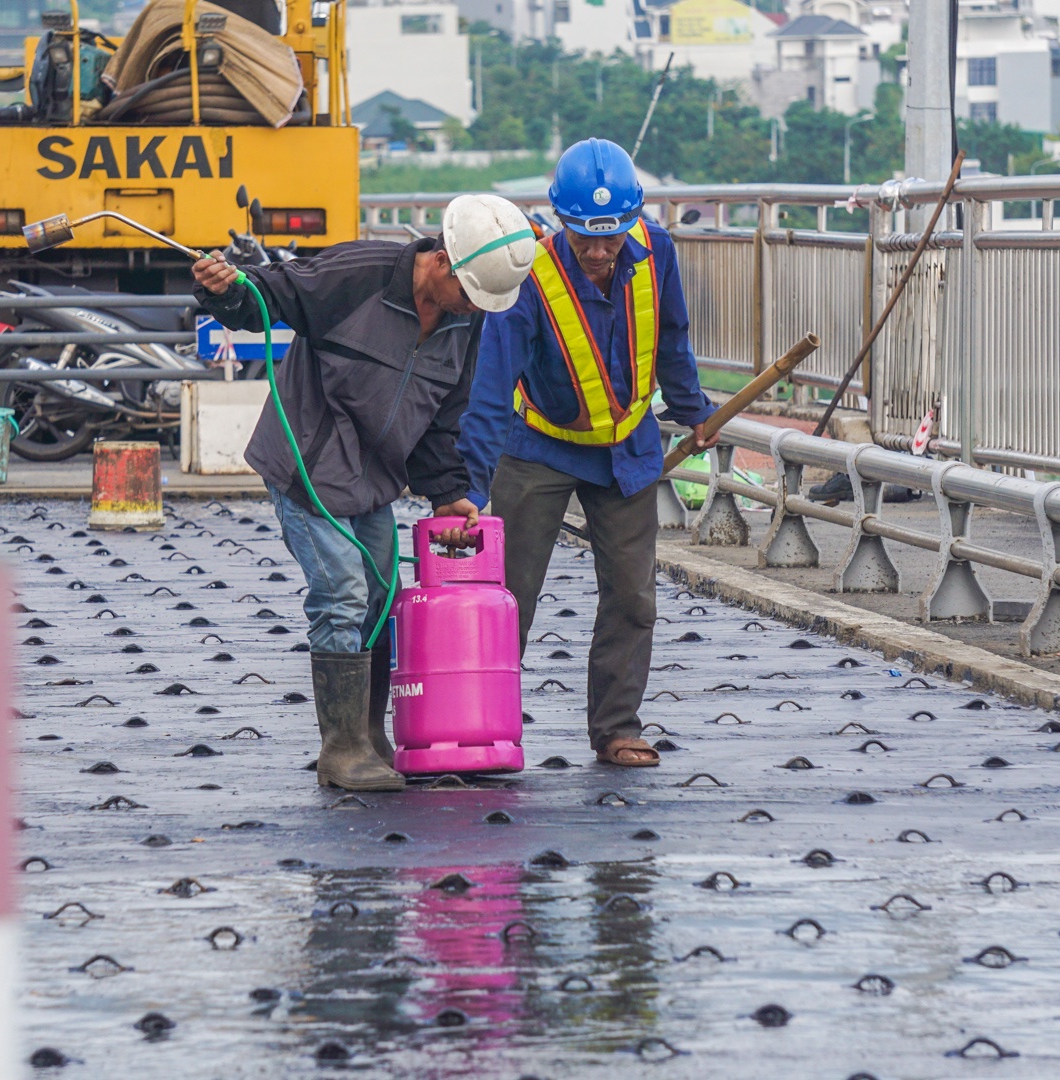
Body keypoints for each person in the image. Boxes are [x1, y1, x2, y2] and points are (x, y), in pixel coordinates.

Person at [191, 193, 537, 792]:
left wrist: (448, 491)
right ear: (444, 263)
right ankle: (342, 749)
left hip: (374, 475)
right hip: (308, 462)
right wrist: (225, 290)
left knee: (381, 602)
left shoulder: (465, 318)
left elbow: (443, 412)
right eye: (471, 293)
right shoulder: (357, 276)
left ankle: (372, 737)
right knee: (344, 592)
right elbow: (269, 294)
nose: (475, 308)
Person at [459, 138, 715, 769]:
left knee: (632, 596)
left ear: (631, 220)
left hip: (626, 446)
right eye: (584, 239)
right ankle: (487, 726)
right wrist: (469, 485)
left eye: (611, 237)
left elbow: (673, 339)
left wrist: (694, 410)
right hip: (539, 447)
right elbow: (491, 388)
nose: (599, 252)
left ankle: (616, 727)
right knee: (509, 596)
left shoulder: (658, 254)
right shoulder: (529, 275)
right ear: (558, 223)